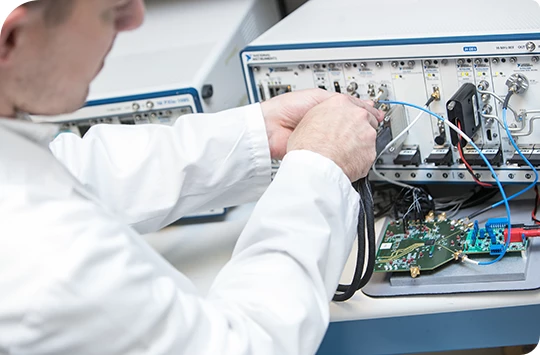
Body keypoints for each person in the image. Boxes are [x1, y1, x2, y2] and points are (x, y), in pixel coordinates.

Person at [0, 0, 384, 354]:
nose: (134, 18)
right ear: (12, 39)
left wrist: (257, 134)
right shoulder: (48, 266)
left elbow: (72, 170)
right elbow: (244, 344)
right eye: (111, 9)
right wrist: (319, 169)